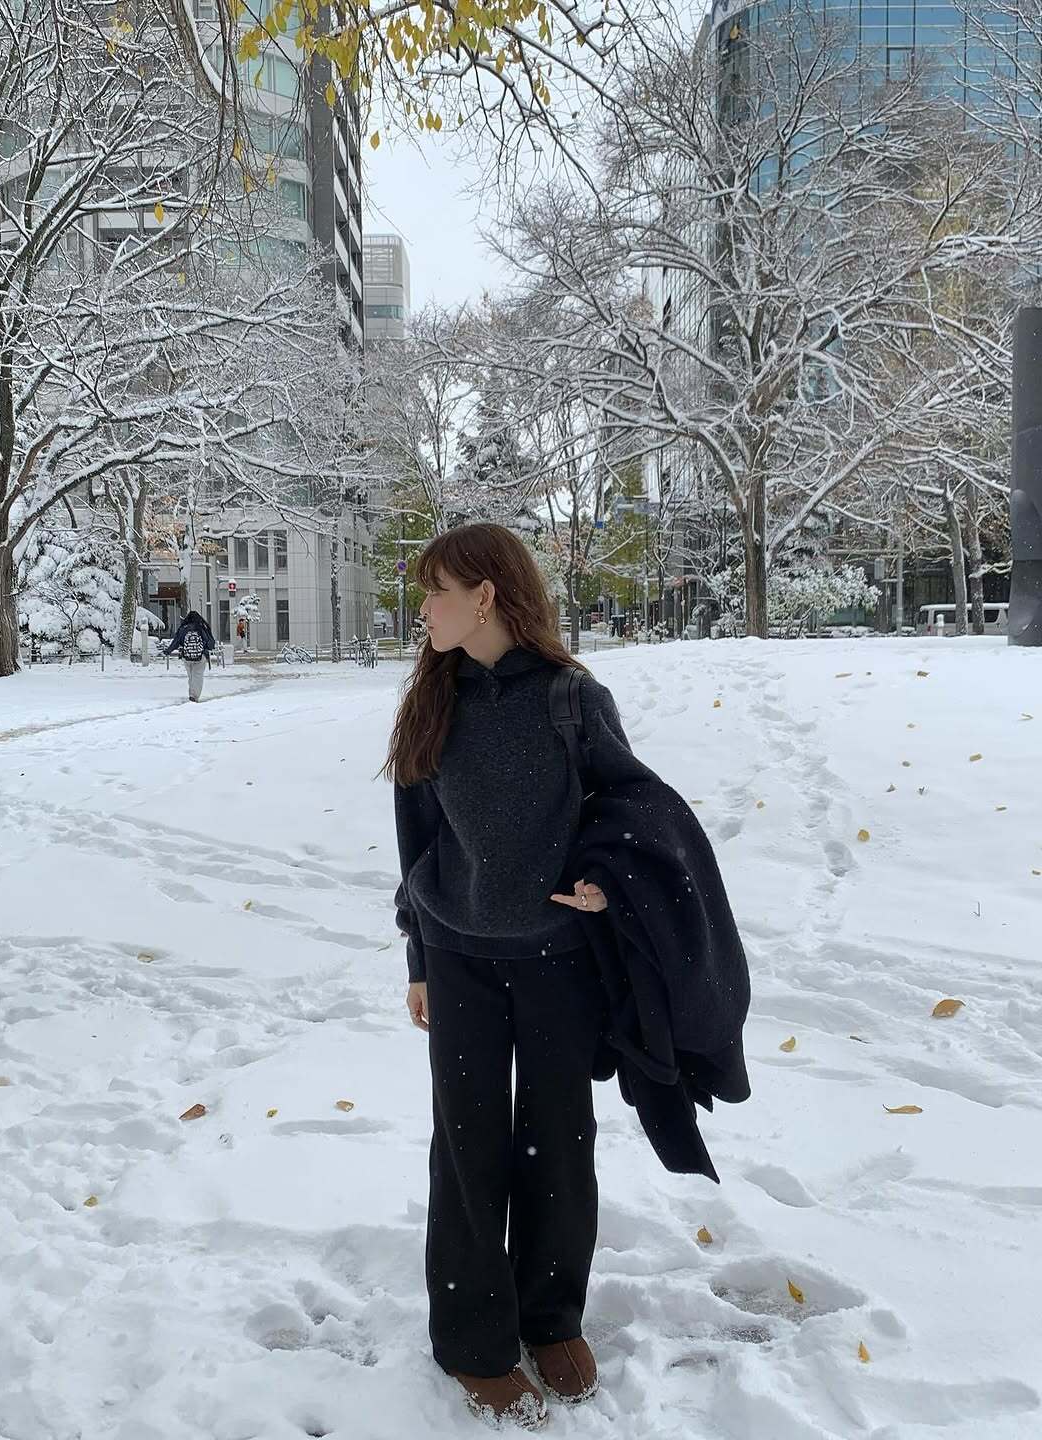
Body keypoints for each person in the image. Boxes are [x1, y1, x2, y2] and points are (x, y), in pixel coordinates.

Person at [383, 523, 750, 1431]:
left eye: (436, 591)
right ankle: (473, 1342)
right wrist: (419, 958)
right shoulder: (430, 701)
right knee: (466, 1145)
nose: (422, 608)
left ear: (485, 597)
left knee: (557, 1140)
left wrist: (601, 877)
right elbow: (416, 844)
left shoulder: (572, 699)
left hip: (558, 963)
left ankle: (551, 1320)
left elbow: (632, 804)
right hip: (459, 960)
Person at [162, 609, 215, 702]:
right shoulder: (202, 628)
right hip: (200, 656)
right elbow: (211, 643)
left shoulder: (183, 628)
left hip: (187, 656)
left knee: (191, 677)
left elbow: (176, 642)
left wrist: (168, 651)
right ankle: (194, 696)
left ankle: (191, 694)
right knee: (197, 676)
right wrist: (205, 647)